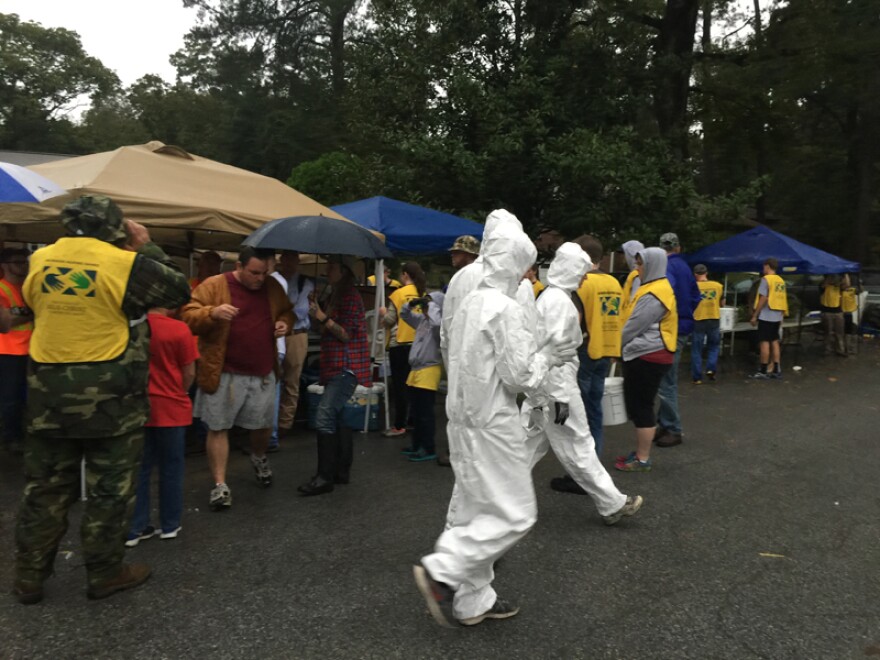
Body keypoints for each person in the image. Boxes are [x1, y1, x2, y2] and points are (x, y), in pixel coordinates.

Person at [13, 195, 190, 604]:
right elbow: (176, 289)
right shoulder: (123, 263)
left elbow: (36, 305)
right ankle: (105, 575)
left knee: (44, 491)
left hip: (47, 399)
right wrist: (144, 244)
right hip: (111, 401)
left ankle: (29, 578)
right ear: (115, 227)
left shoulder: (40, 261)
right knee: (110, 490)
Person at [413, 220, 575, 628]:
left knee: (473, 512)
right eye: (524, 265)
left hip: (462, 419)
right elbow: (520, 376)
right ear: (516, 263)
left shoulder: (469, 300)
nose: (526, 275)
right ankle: (444, 570)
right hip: (493, 421)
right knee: (515, 513)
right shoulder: (504, 309)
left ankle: (472, 602)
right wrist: (552, 355)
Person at [522, 242, 642, 523]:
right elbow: (552, 351)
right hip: (558, 392)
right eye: (582, 271)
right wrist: (556, 395)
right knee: (576, 442)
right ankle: (612, 503)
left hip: (546, 390)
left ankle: (498, 500)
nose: (585, 277)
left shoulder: (552, 298)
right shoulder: (559, 303)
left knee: (527, 444)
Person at [181, 246, 294, 510]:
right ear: (239, 267)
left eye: (264, 273)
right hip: (224, 371)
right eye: (254, 272)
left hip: (262, 371)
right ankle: (220, 486)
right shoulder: (214, 285)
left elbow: (287, 312)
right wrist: (212, 313)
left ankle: (258, 456)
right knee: (218, 427)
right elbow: (187, 314)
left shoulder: (272, 287)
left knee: (263, 426)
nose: (259, 278)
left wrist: (284, 324)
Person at [298, 255, 371, 496]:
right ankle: (341, 471)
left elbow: (346, 334)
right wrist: (315, 308)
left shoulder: (350, 296)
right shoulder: (334, 295)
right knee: (337, 416)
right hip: (334, 365)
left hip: (346, 367)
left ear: (344, 271)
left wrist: (323, 317)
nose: (327, 270)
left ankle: (324, 477)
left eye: (332, 267)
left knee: (325, 415)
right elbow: (321, 328)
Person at [126, 307, 199, 547]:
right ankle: (169, 525)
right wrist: (180, 391)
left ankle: (136, 528)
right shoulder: (179, 329)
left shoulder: (132, 328)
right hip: (172, 407)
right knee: (172, 467)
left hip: (138, 408)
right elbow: (189, 371)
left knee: (140, 469)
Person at [615, 248, 677, 472]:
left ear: (652, 265)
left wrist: (614, 346)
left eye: (641, 264)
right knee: (642, 404)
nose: (637, 268)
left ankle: (642, 459)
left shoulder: (654, 293)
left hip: (648, 355)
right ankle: (641, 455)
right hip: (649, 353)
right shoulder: (652, 287)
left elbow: (633, 326)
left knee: (642, 406)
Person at [569, 235, 622, 458]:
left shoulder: (582, 284)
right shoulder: (614, 283)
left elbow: (574, 322)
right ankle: (595, 458)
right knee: (595, 410)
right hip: (607, 351)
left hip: (585, 351)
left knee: (578, 413)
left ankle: (582, 469)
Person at [654, 233, 700, 448]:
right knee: (666, 378)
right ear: (678, 248)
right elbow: (696, 296)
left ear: (661, 249)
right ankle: (664, 423)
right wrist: (688, 313)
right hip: (684, 326)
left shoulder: (665, 268)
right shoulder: (686, 268)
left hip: (670, 329)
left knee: (666, 381)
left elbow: (663, 296)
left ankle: (673, 427)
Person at [273, 251, 315, 443]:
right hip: (277, 335)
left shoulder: (304, 283)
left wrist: (281, 312)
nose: (288, 264)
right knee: (274, 379)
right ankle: (271, 424)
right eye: (286, 260)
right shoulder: (273, 281)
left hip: (296, 335)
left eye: (292, 260)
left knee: (291, 380)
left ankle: (284, 424)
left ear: (297, 262)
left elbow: (300, 310)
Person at [382, 262, 426, 436]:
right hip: (419, 344)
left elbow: (390, 320)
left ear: (405, 275)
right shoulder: (423, 294)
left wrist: (382, 314)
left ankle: (399, 425)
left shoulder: (397, 294)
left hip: (399, 343)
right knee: (415, 386)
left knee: (400, 387)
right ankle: (413, 421)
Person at [399, 291, 444, 462]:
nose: (425, 305)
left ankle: (428, 447)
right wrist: (411, 304)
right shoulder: (422, 321)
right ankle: (417, 444)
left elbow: (437, 323)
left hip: (429, 370)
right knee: (415, 413)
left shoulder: (438, 325)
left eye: (430, 303)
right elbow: (404, 315)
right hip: (416, 370)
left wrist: (431, 304)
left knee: (425, 413)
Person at [0, 247, 33, 455]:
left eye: (25, 262)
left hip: (31, 349)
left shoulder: (28, 288)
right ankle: (10, 438)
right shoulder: (2, 289)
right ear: (4, 265)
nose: (23, 266)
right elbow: (5, 324)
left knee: (26, 398)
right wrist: (31, 316)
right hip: (8, 350)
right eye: (18, 262)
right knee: (10, 398)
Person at [749, 258, 787, 379]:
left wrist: (755, 315)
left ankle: (763, 370)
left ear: (768, 266)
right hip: (777, 316)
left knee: (764, 342)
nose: (763, 269)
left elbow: (763, 298)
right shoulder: (780, 281)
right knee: (775, 341)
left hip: (766, 315)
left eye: (764, 266)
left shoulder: (766, 280)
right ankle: (776, 369)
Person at [691, 264, 723, 384]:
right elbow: (722, 303)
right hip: (714, 318)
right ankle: (710, 369)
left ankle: (697, 378)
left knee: (696, 349)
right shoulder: (718, 286)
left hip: (698, 319)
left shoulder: (693, 287)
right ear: (706, 273)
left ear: (695, 274)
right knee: (714, 346)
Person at [819, 274, 848, 357]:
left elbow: (847, 285)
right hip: (827, 311)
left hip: (838, 311)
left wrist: (845, 274)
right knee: (828, 332)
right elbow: (823, 286)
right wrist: (828, 279)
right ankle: (827, 349)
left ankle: (840, 350)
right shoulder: (823, 285)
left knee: (839, 332)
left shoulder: (839, 286)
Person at [619, 240, 644, 323]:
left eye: (624, 254)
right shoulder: (639, 274)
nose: (623, 258)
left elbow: (633, 302)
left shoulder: (637, 276)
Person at [841, 278, 859, 354]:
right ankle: (846, 348)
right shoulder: (840, 290)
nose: (846, 283)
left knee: (853, 330)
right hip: (844, 312)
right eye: (844, 282)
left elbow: (860, 291)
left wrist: (860, 284)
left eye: (848, 282)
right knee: (845, 331)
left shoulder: (853, 289)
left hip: (852, 312)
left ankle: (853, 348)